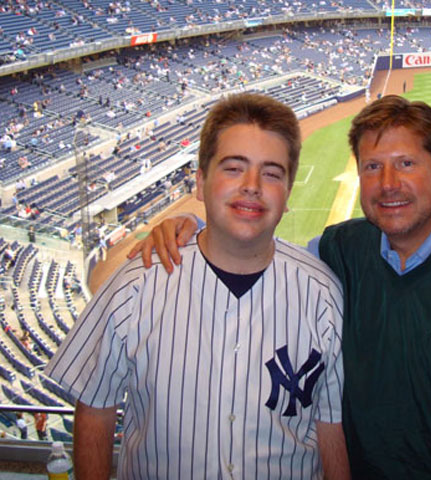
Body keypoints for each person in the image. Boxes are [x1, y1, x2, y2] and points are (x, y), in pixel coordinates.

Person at [129, 95, 431, 479]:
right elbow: (257, 255)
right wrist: (194, 226)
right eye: (372, 167)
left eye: (406, 163)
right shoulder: (339, 251)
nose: (388, 184)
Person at [44, 93, 349, 480]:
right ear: (201, 182)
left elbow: (329, 424)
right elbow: (95, 412)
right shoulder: (135, 285)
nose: (252, 186)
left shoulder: (322, 293)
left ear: (288, 191)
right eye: (234, 168)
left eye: (271, 173)